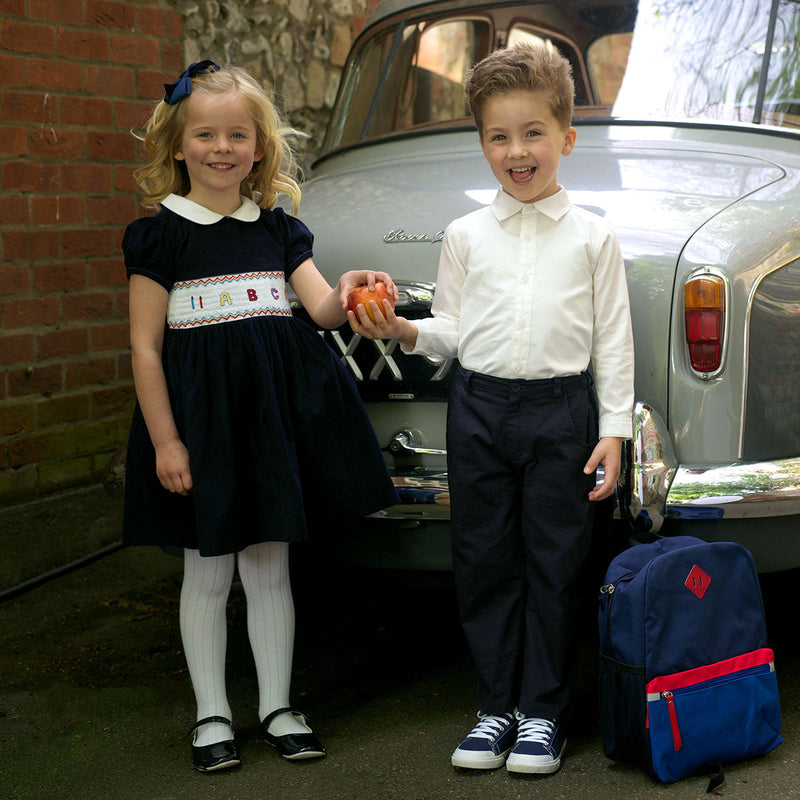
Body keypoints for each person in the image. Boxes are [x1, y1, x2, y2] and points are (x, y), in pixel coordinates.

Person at [351, 42, 634, 775]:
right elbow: (450, 332)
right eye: (499, 136)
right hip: (476, 409)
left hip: (561, 413)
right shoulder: (465, 236)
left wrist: (612, 432)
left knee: (556, 562)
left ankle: (543, 713)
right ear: (481, 144)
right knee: (482, 561)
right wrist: (405, 329)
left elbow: (613, 341)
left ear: (566, 138)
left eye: (533, 133)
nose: (517, 151)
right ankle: (494, 708)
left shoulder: (594, 235)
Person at [122, 60, 398, 773]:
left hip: (269, 424)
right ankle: (212, 712)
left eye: (237, 134)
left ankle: (277, 705)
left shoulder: (276, 228)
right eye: (206, 134)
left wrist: (351, 288)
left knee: (269, 567)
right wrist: (165, 442)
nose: (222, 147)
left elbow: (322, 310)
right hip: (201, 428)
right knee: (209, 573)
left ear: (258, 144)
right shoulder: (161, 237)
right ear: (179, 146)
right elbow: (145, 350)